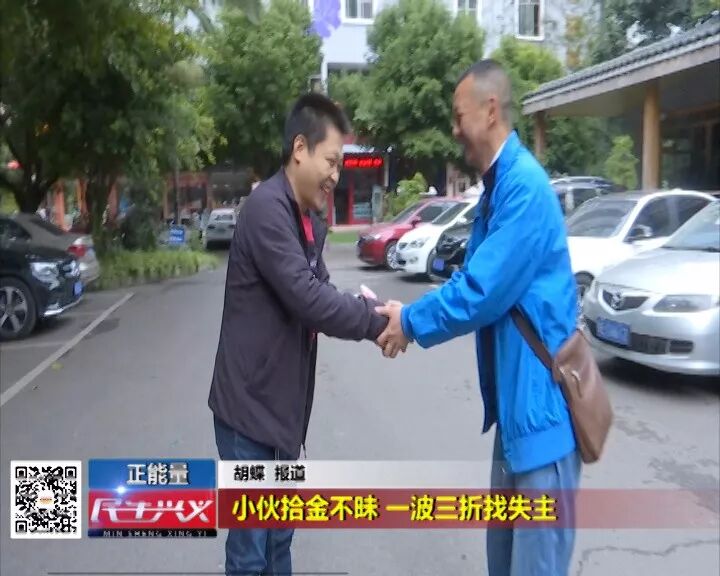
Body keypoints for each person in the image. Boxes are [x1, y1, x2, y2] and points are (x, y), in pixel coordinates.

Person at [375, 59, 581, 576]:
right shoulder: (497, 188)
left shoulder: (523, 188)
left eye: (458, 115)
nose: (453, 129)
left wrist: (410, 323)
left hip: (542, 424)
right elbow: (471, 280)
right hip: (516, 424)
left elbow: (482, 291)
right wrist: (409, 314)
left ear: (490, 111)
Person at [208, 93, 388, 576]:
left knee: (279, 541)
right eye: (331, 161)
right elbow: (308, 299)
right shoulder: (267, 210)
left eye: (340, 164)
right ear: (300, 148)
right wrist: (379, 324)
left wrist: (373, 311)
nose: (336, 175)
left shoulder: (304, 220)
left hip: (282, 416)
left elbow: (321, 292)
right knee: (251, 553)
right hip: (249, 417)